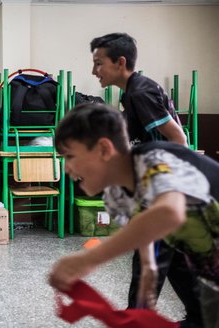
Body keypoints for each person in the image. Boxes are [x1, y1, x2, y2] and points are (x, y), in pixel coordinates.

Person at [48, 103, 219, 328]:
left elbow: (170, 213)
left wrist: (89, 259)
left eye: (70, 156)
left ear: (104, 149)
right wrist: (149, 267)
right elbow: (143, 225)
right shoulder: (115, 195)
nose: (66, 168)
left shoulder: (154, 160)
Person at [90, 32, 202, 327]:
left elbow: (178, 138)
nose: (94, 71)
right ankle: (203, 315)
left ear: (120, 62)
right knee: (174, 261)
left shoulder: (140, 92)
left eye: (99, 63)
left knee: (148, 263)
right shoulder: (133, 91)